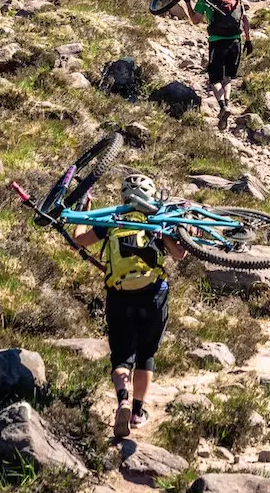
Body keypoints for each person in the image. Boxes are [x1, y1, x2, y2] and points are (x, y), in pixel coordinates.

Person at [72, 173, 187, 438]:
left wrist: (84, 211)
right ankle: (137, 412)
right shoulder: (155, 220)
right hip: (153, 293)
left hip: (119, 294)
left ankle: (122, 400)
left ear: (123, 196)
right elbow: (180, 255)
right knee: (147, 353)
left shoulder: (114, 221)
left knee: (122, 356)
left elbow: (80, 239)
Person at [186, 0, 252, 129]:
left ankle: (222, 106)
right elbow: (244, 19)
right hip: (236, 41)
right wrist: (248, 40)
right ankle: (227, 103)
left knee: (214, 79)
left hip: (217, 41)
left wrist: (187, 2)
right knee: (227, 78)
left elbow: (196, 20)